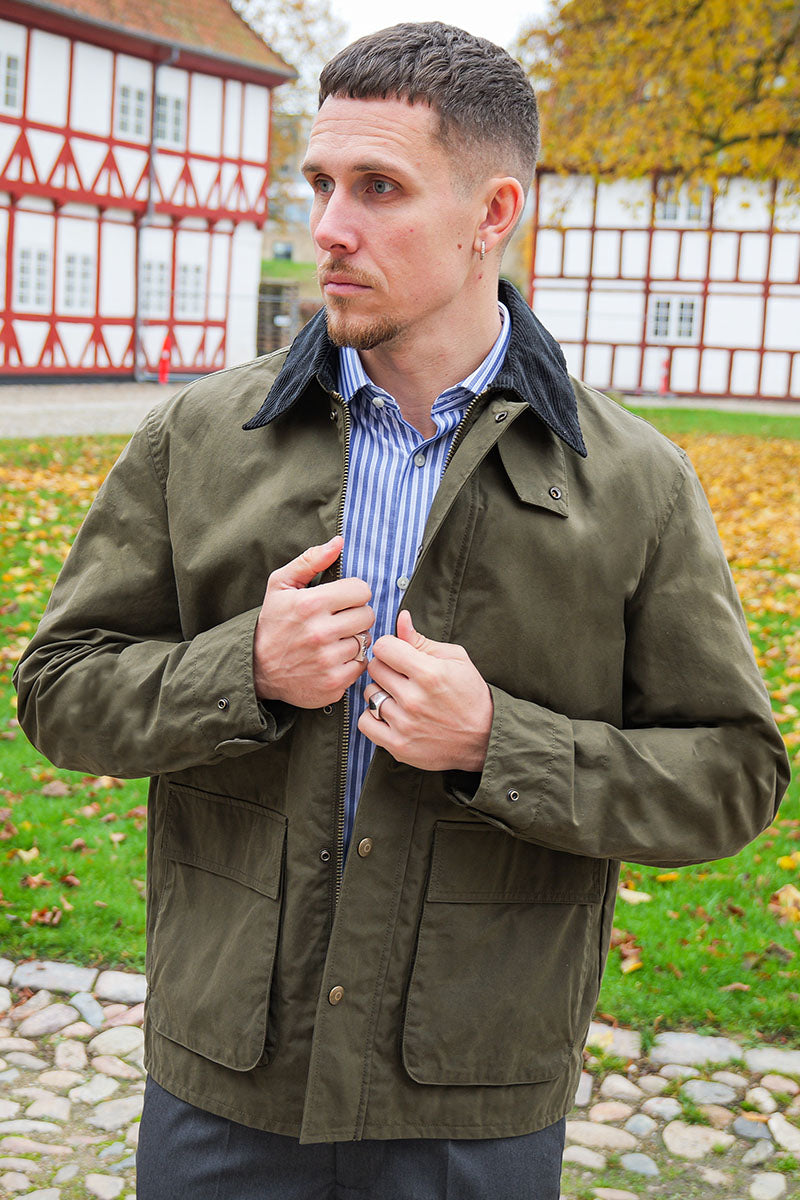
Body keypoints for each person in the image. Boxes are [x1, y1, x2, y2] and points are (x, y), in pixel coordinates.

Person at [14, 21, 789, 1200]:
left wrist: (495, 743)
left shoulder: (634, 484)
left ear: (492, 213)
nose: (329, 225)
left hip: (469, 1101)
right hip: (226, 1084)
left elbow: (732, 776)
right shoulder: (198, 439)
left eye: (378, 188)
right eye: (319, 184)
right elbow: (59, 689)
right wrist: (242, 670)